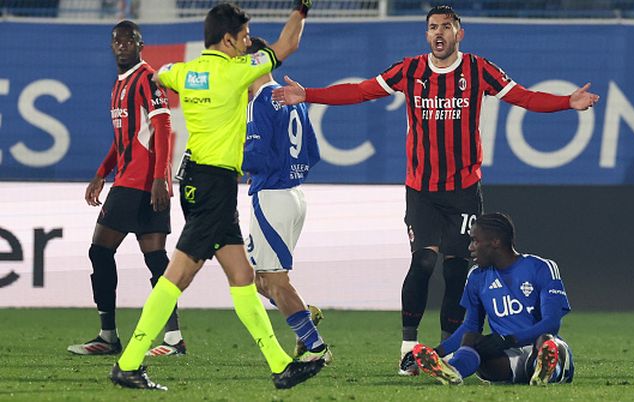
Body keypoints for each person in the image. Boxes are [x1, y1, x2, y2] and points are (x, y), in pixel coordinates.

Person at [271, 5, 598, 375]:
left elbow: (522, 97)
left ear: (460, 33)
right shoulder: (410, 70)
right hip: (422, 189)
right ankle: (408, 349)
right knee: (423, 262)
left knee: (458, 272)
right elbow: (361, 92)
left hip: (463, 190)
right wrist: (308, 94)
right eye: (432, 27)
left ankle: (445, 354)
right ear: (426, 34)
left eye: (446, 26)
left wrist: (565, 102)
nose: (438, 33)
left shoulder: (479, 70)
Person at [109, 1, 324, 391]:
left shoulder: (186, 72)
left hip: (201, 182)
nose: (247, 44)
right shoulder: (237, 72)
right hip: (213, 186)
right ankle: (128, 363)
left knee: (242, 277)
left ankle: (279, 365)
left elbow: (161, 75)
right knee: (176, 277)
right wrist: (302, 9)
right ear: (227, 39)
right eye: (243, 37)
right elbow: (287, 44)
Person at [67, 20, 186, 358]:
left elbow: (163, 125)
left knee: (100, 251)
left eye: (128, 39)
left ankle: (108, 336)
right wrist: (102, 172)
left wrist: (161, 178)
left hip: (140, 183)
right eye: (116, 40)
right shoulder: (118, 85)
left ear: (140, 43)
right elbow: (124, 139)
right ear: (111, 46)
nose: (122, 45)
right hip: (132, 182)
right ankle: (174, 338)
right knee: (156, 260)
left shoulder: (148, 78)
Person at [243, 37, 331, 364]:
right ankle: (303, 319)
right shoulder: (293, 97)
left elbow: (257, 156)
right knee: (261, 280)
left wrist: (228, 162)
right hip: (294, 195)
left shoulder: (260, 101)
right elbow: (313, 152)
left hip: (272, 197)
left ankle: (316, 347)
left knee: (274, 282)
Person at [412, 212, 574, 386]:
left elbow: (552, 322)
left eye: (475, 241)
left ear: (495, 242)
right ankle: (452, 371)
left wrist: (509, 339)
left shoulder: (542, 267)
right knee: (471, 338)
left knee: (546, 339)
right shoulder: (476, 276)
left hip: (539, 348)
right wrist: (437, 352)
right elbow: (471, 325)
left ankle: (547, 371)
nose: (470, 248)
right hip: (505, 359)